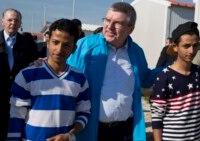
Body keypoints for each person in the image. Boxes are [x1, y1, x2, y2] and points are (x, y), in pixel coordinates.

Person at [67, 2, 161, 141]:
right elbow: (65, 74)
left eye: (117, 23)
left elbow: (145, 78)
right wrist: (47, 63)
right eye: (107, 20)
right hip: (92, 130)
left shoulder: (136, 51)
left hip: (125, 131)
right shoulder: (85, 46)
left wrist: (172, 67)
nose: (109, 26)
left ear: (130, 28)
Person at [7, 18, 91, 141]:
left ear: (74, 48)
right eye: (55, 42)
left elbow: (84, 112)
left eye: (66, 45)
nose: (59, 49)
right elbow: (16, 117)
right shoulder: (26, 75)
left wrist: (70, 135)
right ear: (48, 42)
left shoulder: (80, 79)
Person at [0, 8, 38, 141]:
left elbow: (34, 66)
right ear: (2, 21)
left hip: (18, 100)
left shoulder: (27, 43)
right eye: (9, 20)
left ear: (20, 23)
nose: (13, 23)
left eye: (16, 20)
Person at [150, 21, 200, 141]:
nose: (191, 51)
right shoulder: (164, 77)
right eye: (186, 46)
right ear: (175, 47)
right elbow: (156, 117)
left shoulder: (198, 71)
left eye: (195, 45)